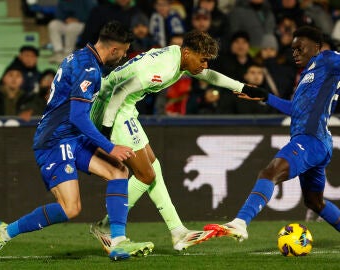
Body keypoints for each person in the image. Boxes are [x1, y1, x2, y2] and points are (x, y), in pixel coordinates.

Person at [0, 21, 154, 263]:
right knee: (70, 208)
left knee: (119, 171)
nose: (125, 55)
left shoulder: (80, 57)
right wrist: (110, 147)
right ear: (114, 50)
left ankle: (118, 242)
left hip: (72, 135)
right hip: (55, 140)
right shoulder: (89, 69)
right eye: (124, 51)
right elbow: (77, 116)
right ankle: (4, 232)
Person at [89, 29, 262, 252]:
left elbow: (208, 76)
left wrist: (242, 87)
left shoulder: (177, 56)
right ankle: (107, 227)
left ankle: (178, 232)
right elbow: (119, 92)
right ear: (188, 53)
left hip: (125, 108)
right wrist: (104, 133)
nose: (205, 66)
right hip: (111, 107)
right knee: (146, 174)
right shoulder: (163, 69)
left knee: (153, 167)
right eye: (203, 60)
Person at [204, 26, 340, 241]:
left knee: (269, 173)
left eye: (300, 48)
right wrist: (264, 96)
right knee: (314, 202)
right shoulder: (308, 73)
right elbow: (295, 109)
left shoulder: (328, 59)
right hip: (316, 141)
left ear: (316, 47)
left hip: (310, 139)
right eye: (293, 50)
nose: (295, 54)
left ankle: (240, 223)